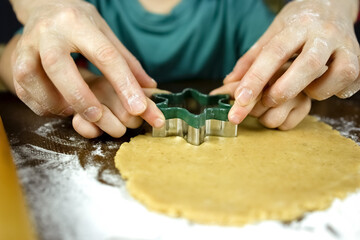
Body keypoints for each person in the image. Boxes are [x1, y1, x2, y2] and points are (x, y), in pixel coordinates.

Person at [0, 0, 359, 138]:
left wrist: (286, 86)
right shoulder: (85, 7)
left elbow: (286, 61)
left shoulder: (238, 10)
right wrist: (80, 85)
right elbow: (17, 55)